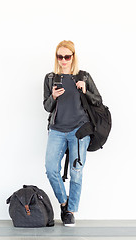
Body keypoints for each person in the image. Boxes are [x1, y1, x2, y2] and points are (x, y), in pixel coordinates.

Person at [43, 40, 102, 226]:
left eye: (67, 56)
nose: (63, 60)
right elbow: (46, 107)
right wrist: (53, 97)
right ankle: (64, 202)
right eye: (59, 56)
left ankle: (69, 212)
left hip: (79, 130)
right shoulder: (51, 78)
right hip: (57, 130)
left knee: (76, 171)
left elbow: (98, 101)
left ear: (73, 57)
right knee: (51, 168)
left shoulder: (83, 76)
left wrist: (86, 91)